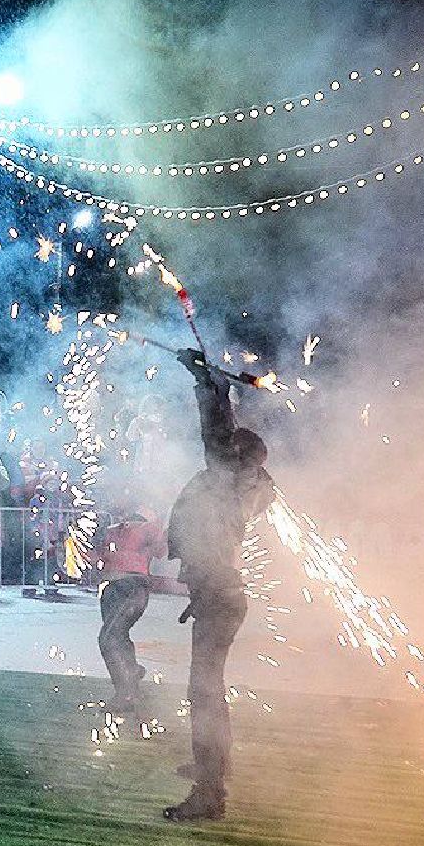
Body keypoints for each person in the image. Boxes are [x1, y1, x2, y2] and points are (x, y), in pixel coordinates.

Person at [163, 349, 276, 822]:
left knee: (204, 690)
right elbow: (223, 440)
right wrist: (213, 386)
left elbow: (216, 435)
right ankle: (215, 765)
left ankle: (210, 791)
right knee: (208, 686)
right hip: (222, 594)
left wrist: (207, 386)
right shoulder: (249, 484)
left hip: (219, 596)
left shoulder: (231, 483)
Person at [96, 506, 167, 712]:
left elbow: (161, 549)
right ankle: (131, 681)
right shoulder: (115, 531)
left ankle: (125, 691)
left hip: (130, 587)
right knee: (118, 635)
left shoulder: (143, 529)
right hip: (117, 586)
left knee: (109, 638)